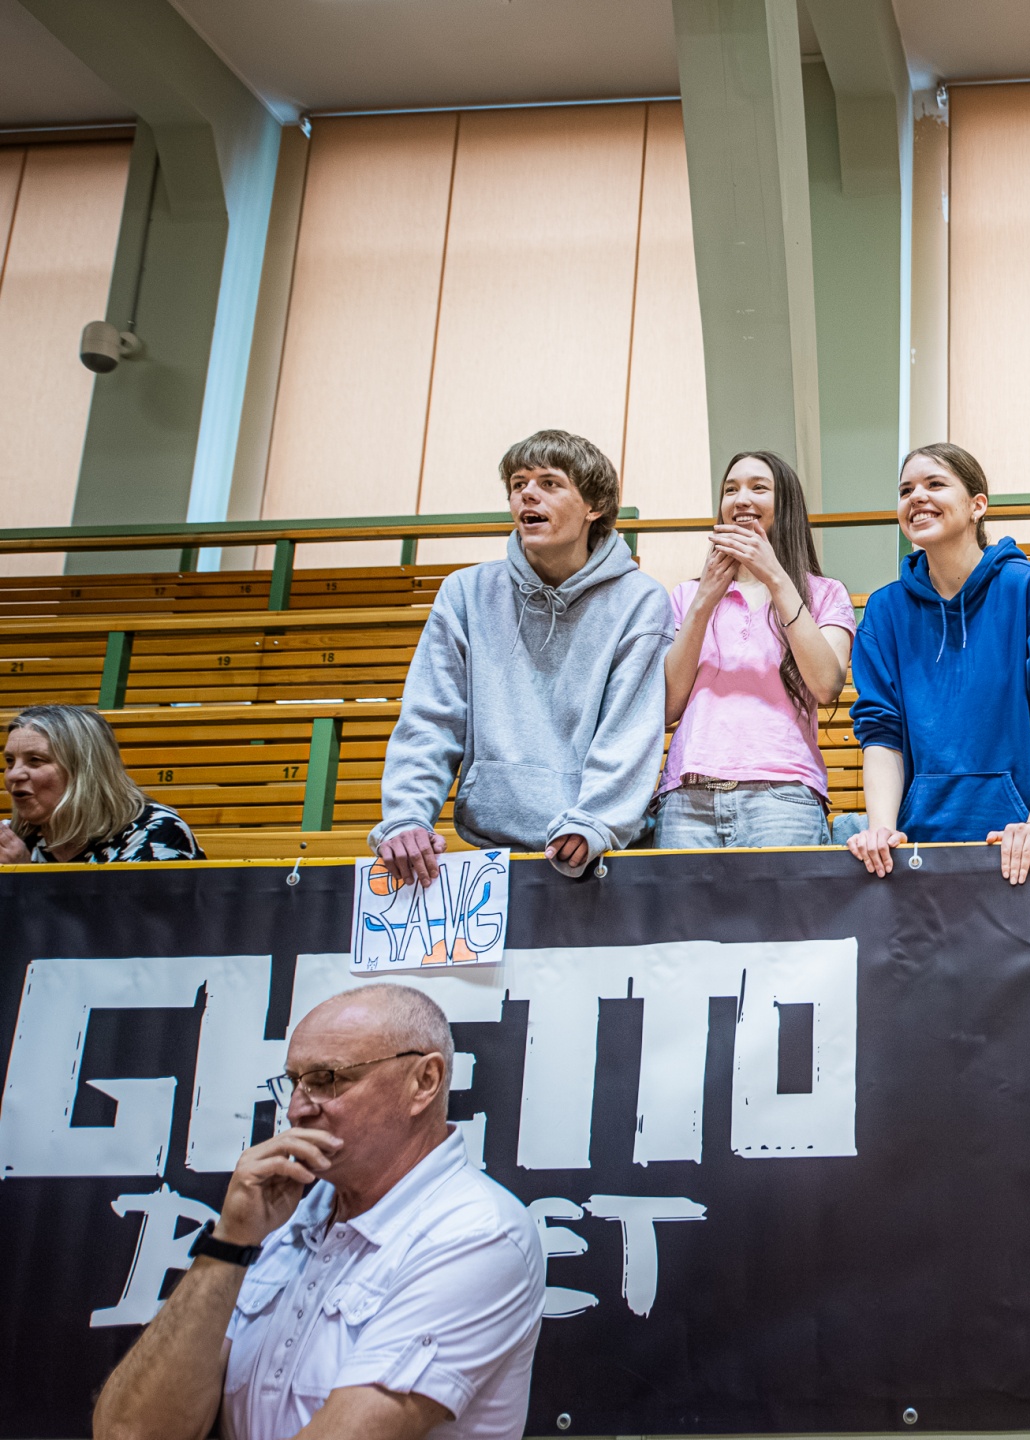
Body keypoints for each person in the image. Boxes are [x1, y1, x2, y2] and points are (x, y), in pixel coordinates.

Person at [90, 984, 545, 1440]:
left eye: (327, 1079)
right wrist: (229, 1242)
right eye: (294, 1082)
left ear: (423, 1082)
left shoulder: (476, 1231)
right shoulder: (280, 1222)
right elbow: (128, 1433)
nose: (296, 1110)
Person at [371, 430, 673, 881]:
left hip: (598, 853)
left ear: (594, 506)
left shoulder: (640, 600)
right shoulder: (466, 592)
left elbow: (630, 730)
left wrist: (596, 819)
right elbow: (431, 719)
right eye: (518, 484)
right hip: (491, 849)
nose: (527, 493)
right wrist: (407, 816)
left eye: (549, 483)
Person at [845, 443, 1030, 885]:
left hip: (1029, 848)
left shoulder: (1029, 588)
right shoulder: (884, 612)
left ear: (977, 506)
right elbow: (881, 731)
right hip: (923, 852)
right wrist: (883, 829)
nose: (916, 497)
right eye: (905, 490)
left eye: (935, 484)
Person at [657, 451, 855, 848]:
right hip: (687, 795)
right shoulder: (686, 596)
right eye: (731, 490)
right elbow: (667, 707)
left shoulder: (825, 594)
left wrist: (776, 578)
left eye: (758, 487)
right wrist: (705, 599)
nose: (741, 499)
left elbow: (826, 685)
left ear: (786, 505)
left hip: (784, 792)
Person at [0, 704, 203, 863]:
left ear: (84, 769)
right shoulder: (10, 841)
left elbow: (131, 907)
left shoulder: (153, 831)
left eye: (35, 760)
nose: (14, 774)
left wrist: (22, 877)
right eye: (10, 761)